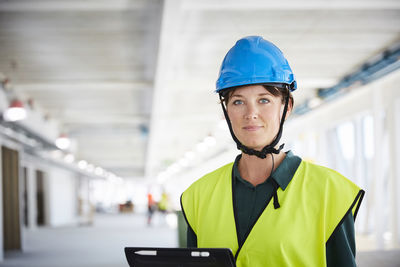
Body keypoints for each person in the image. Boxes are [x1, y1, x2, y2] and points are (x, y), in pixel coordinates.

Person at [180, 36, 364, 267]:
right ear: (226, 111)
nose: (251, 113)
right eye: (238, 102)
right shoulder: (198, 196)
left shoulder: (331, 193)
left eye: (264, 100)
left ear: (286, 107)